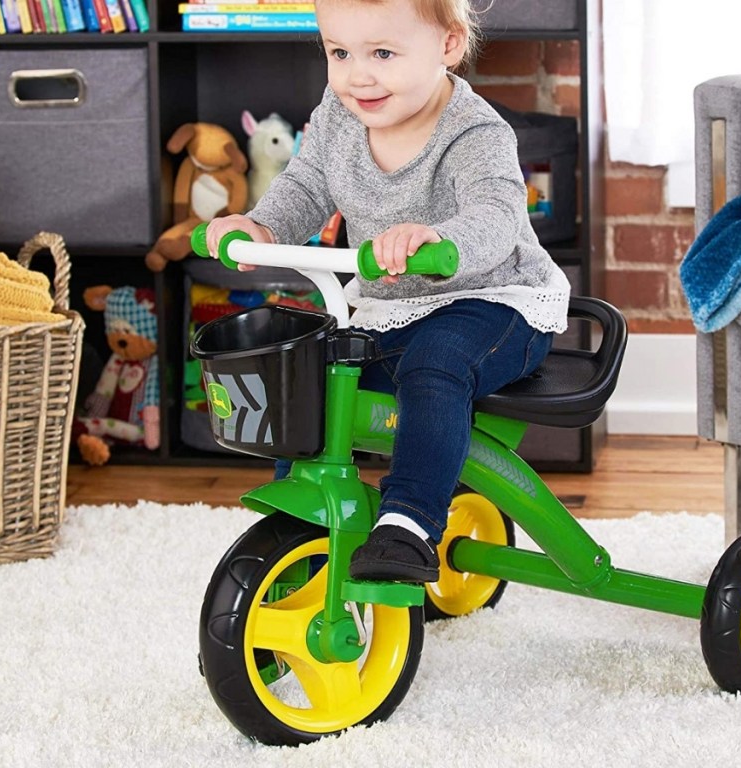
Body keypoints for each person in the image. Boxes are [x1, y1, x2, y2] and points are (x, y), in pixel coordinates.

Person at [204, 0, 570, 583]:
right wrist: (262, 225)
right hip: (389, 305)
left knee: (436, 365)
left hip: (497, 300)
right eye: (339, 53)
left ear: (448, 46)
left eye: (381, 53)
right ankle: (302, 531)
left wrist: (439, 237)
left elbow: (497, 214)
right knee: (314, 377)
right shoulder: (338, 115)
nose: (358, 75)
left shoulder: (475, 132)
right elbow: (306, 182)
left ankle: (410, 522)